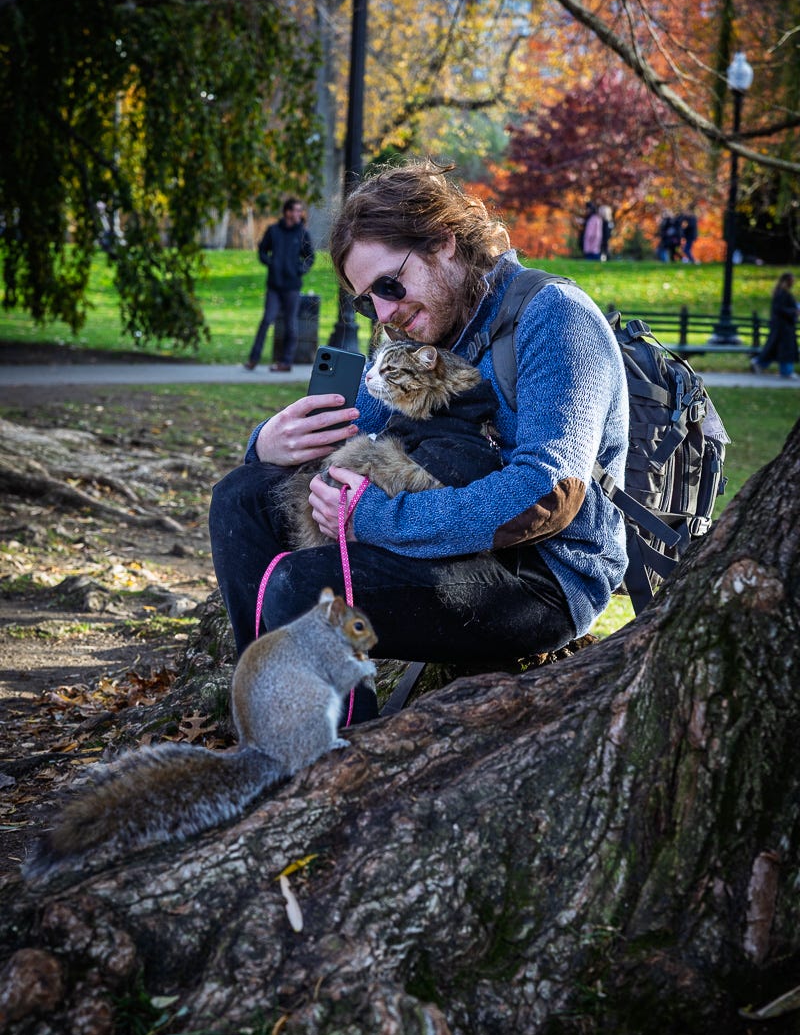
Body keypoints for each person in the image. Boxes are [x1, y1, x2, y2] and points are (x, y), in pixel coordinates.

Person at [209, 160, 629, 723]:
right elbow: (349, 422)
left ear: (444, 244)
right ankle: (274, 727)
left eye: (389, 285)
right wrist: (269, 442)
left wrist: (376, 521)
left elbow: (547, 495)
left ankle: (335, 770)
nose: (385, 314)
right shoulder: (419, 327)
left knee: (303, 588)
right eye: (367, 301)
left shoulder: (553, 316)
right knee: (240, 497)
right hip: (446, 538)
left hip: (540, 574)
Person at [244, 198, 315, 372]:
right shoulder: (273, 231)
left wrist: (299, 269)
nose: (299, 214)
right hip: (274, 286)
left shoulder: (303, 234)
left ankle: (286, 362)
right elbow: (262, 251)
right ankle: (254, 359)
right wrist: (271, 262)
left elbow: (310, 257)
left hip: (292, 286)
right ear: (287, 212)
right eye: (296, 210)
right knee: (267, 320)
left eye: (300, 211)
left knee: (291, 324)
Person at [751, 272, 799, 380]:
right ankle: (786, 371)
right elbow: (779, 309)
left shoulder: (782, 293)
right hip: (783, 327)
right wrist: (794, 311)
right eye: (791, 280)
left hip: (783, 327)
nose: (793, 282)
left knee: (775, 349)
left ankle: (760, 363)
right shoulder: (782, 294)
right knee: (784, 350)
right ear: (786, 281)